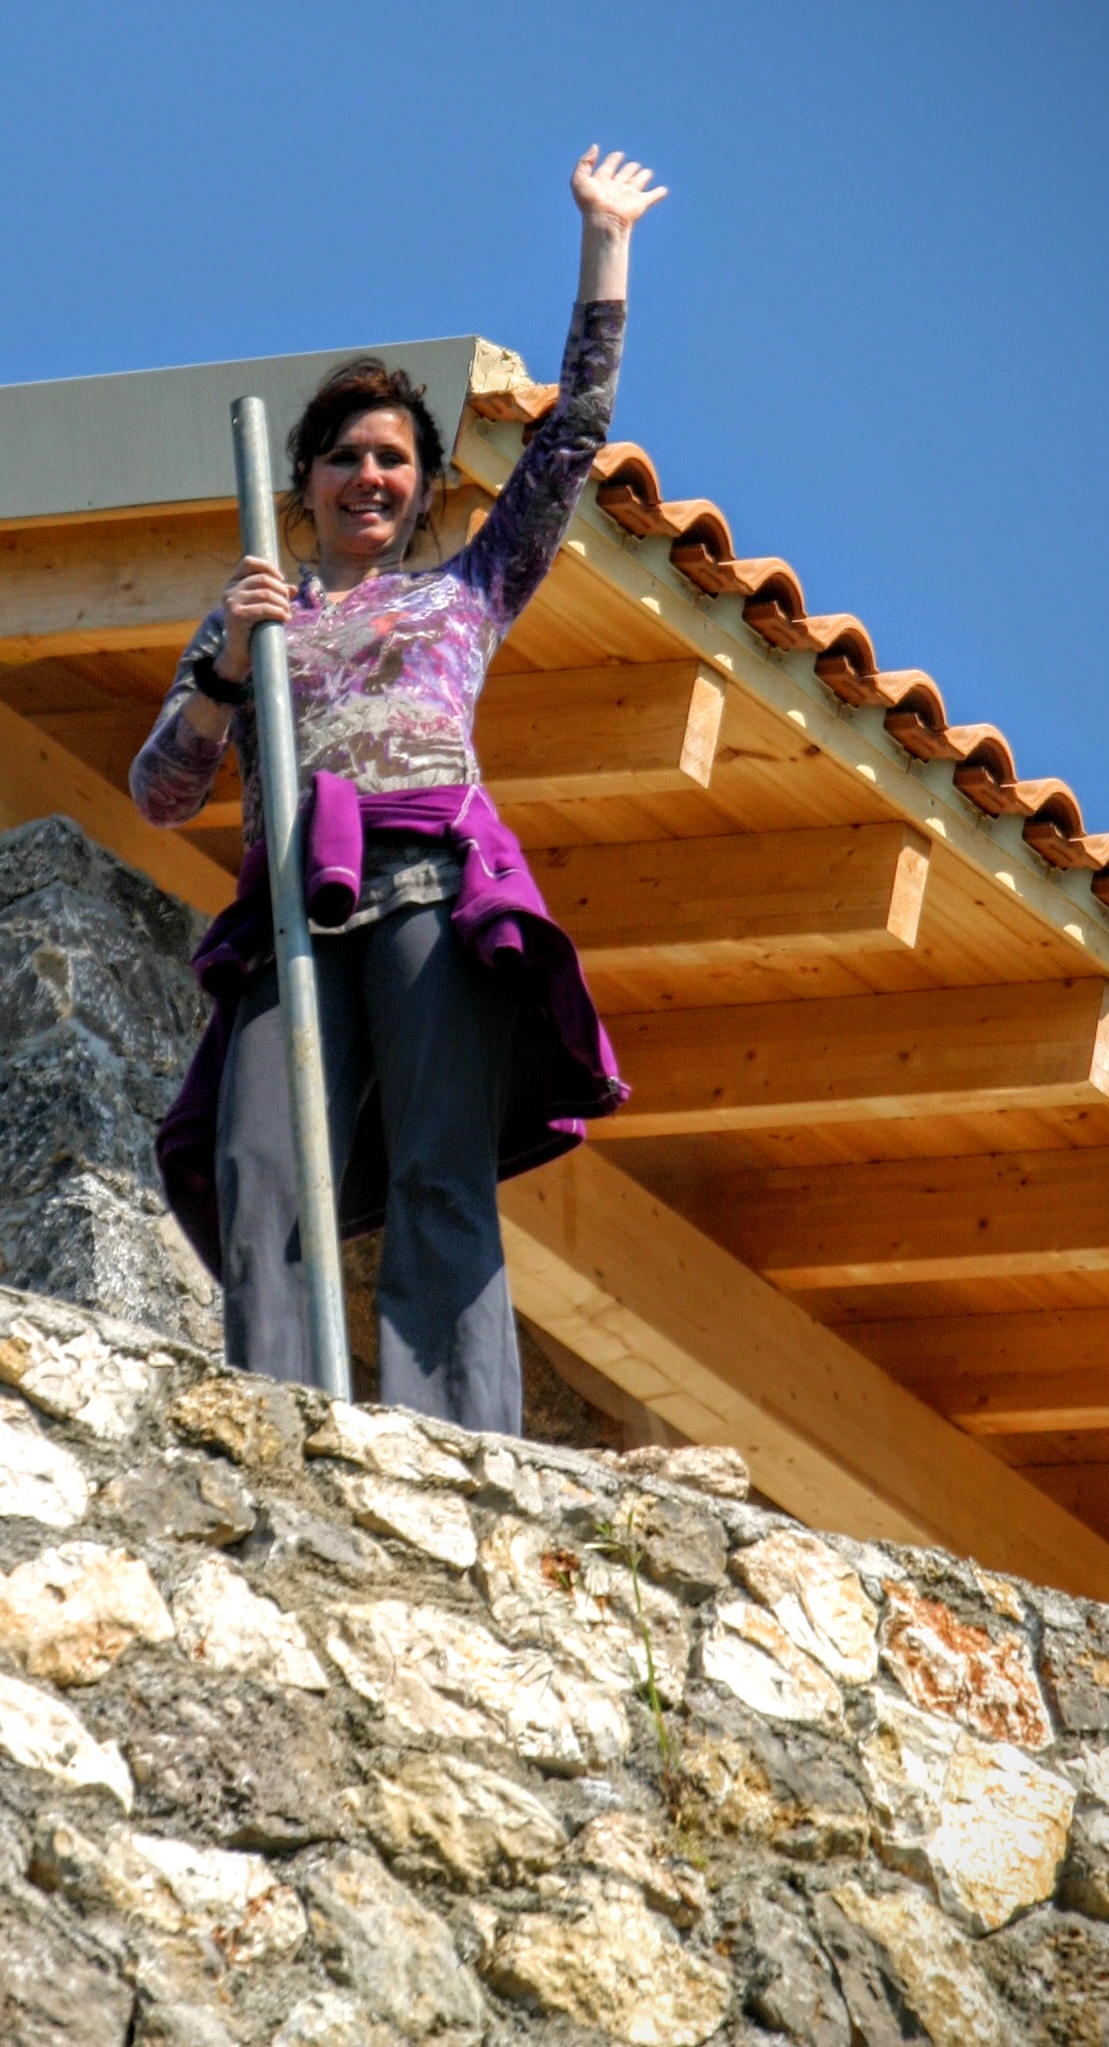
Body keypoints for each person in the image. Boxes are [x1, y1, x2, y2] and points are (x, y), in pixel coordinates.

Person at [132, 146, 665, 1435]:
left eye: (392, 460)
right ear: (305, 483)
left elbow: (573, 440)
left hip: (428, 890)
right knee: (261, 1170)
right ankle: (278, 1419)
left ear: (421, 486)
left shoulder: (465, 592)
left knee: (438, 1166)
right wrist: (222, 670)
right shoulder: (254, 620)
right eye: (344, 458)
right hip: (289, 916)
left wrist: (605, 248)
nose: (368, 477)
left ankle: (457, 1438)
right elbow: (161, 791)